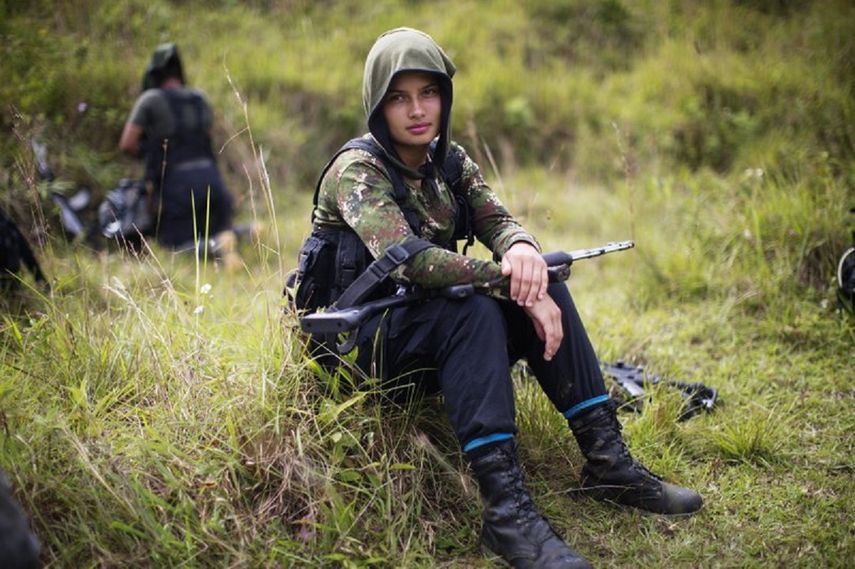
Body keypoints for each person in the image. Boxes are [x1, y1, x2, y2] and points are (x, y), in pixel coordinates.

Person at [294, 28, 702, 568]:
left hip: (423, 330)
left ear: (445, 95)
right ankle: (506, 514)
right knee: (478, 302)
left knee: (546, 274)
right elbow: (412, 261)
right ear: (377, 105)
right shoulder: (358, 171)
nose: (417, 110)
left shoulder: (450, 160)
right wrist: (510, 282)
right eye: (399, 97)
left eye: (429, 92)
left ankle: (607, 463)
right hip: (354, 348)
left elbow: (499, 220)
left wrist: (525, 253)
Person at [118, 43, 239, 267]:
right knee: (217, 229)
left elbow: (127, 144)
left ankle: (218, 248)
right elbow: (208, 136)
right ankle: (246, 233)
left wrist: (149, 154)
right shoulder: (199, 98)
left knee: (172, 247)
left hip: (178, 186)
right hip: (212, 179)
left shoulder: (150, 99)